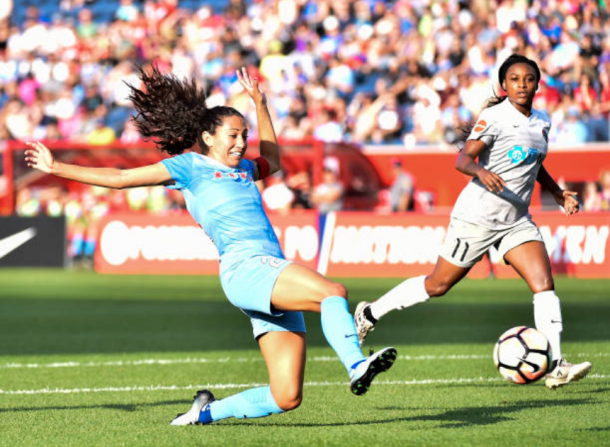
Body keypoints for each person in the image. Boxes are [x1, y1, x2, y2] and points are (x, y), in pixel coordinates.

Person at [25, 66, 396, 426]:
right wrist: (57, 168)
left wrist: (260, 104)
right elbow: (122, 178)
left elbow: (275, 161)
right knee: (333, 292)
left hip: (266, 270)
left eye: (244, 135)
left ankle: (204, 413)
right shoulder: (189, 166)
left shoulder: (245, 170)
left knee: (287, 396)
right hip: (246, 268)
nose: (240, 142)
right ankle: (356, 364)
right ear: (207, 137)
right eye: (232, 135)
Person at [353, 55, 592, 390]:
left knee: (544, 284)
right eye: (514, 79)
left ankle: (555, 365)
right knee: (437, 285)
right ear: (504, 85)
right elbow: (463, 158)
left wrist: (557, 192)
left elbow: (534, 164)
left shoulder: (542, 122)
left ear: (538, 84)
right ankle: (370, 313)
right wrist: (481, 171)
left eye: (528, 79)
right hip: (477, 216)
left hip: (516, 219)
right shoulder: (495, 117)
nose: (522, 85)